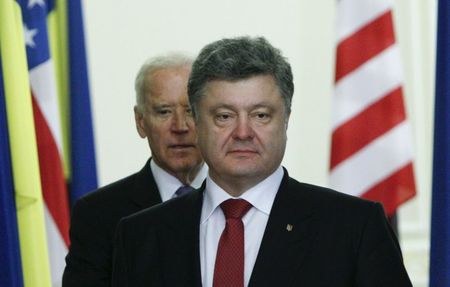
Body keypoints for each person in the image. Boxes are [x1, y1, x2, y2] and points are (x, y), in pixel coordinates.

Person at [111, 37, 412, 287]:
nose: (243, 133)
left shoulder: (354, 228)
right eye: (224, 116)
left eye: (261, 115)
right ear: (197, 122)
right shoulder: (140, 237)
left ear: (286, 120)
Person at [62, 53, 207, 287]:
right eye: (164, 111)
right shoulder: (97, 214)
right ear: (140, 121)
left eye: (190, 110)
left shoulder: (240, 201)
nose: (180, 126)